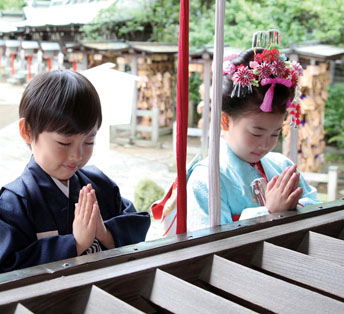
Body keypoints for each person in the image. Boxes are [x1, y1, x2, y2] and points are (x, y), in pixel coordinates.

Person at [0, 70, 150, 273]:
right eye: (64, 142)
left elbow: (136, 224)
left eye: (89, 141)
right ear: (27, 131)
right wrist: (75, 243)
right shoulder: (14, 203)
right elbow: (7, 268)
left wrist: (106, 234)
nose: (77, 155)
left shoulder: (99, 185)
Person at [187, 47, 321, 231]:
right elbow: (206, 243)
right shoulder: (206, 179)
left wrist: (291, 208)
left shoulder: (282, 166)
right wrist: (269, 212)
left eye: (275, 133)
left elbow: (317, 207)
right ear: (225, 121)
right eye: (256, 133)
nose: (266, 144)